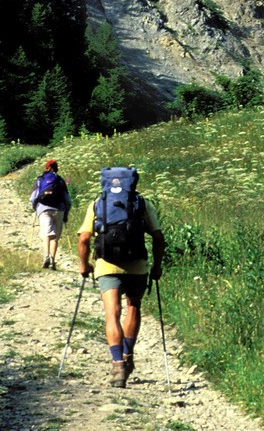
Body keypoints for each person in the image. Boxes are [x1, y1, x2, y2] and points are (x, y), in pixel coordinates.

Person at [77, 167, 165, 389]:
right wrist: (157, 265)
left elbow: (84, 238)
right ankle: (128, 356)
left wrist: (83, 264)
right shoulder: (142, 203)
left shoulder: (97, 203)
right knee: (133, 307)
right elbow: (158, 236)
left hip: (107, 265)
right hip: (137, 265)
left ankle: (117, 365)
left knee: (112, 314)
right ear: (132, 182)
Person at [28, 159, 72, 270]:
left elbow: (33, 198)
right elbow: (67, 200)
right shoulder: (60, 181)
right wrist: (66, 213)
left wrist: (36, 208)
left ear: (46, 168)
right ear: (56, 168)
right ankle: (53, 259)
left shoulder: (40, 180)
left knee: (46, 234)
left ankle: (46, 256)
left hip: (44, 209)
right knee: (55, 237)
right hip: (59, 210)